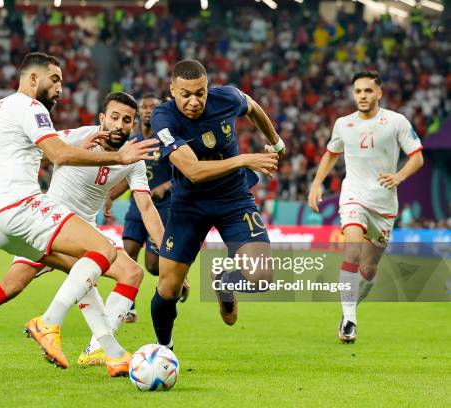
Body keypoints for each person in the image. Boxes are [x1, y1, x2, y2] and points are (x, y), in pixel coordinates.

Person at [0, 52, 158, 377]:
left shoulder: (2, 106)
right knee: (100, 252)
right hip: (34, 213)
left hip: (2, 221)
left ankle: (106, 350)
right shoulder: (36, 111)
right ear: (33, 79)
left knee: (66, 276)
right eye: (55, 80)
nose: (61, 88)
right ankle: (49, 323)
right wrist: (118, 157)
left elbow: (16, 152)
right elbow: (57, 153)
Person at [149, 59, 282, 349]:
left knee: (261, 277)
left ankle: (224, 281)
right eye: (186, 94)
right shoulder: (164, 118)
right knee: (169, 287)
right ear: (172, 90)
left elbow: (253, 107)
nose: (194, 101)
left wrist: (276, 141)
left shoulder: (227, 97)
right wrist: (245, 159)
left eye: (201, 93)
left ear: (208, 88)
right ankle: (164, 350)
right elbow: (193, 172)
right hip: (189, 204)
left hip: (234, 200)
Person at [308, 70, 423, 343]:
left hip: (383, 205)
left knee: (369, 271)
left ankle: (351, 307)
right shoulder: (343, 124)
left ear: (379, 93)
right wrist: (316, 183)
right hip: (353, 197)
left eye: (368, 91)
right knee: (352, 250)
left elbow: (417, 158)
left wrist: (399, 176)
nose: (362, 95)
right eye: (358, 91)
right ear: (353, 93)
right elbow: (330, 154)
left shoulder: (396, 122)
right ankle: (349, 320)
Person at [103, 93, 188, 323]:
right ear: (139, 112)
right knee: (128, 250)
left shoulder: (167, 138)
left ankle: (178, 278)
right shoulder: (134, 139)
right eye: (145, 106)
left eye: (153, 107)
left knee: (152, 265)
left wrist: (166, 185)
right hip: (136, 206)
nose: (149, 110)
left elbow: (184, 170)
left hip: (161, 208)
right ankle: (128, 308)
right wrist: (110, 196)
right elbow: (125, 174)